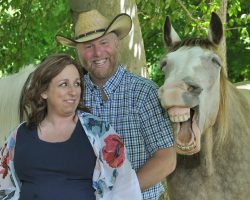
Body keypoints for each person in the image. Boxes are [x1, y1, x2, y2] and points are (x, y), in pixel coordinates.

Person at [56, 10, 176, 200]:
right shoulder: (72, 97)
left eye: (104, 42)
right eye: (88, 46)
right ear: (77, 52)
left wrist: (120, 194)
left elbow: (167, 159)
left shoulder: (143, 93)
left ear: (117, 43)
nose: (97, 53)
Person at [0, 54, 142, 200]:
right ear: (44, 91)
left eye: (77, 84)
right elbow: (3, 187)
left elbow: (125, 187)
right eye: (64, 84)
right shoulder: (18, 136)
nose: (73, 92)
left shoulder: (100, 133)